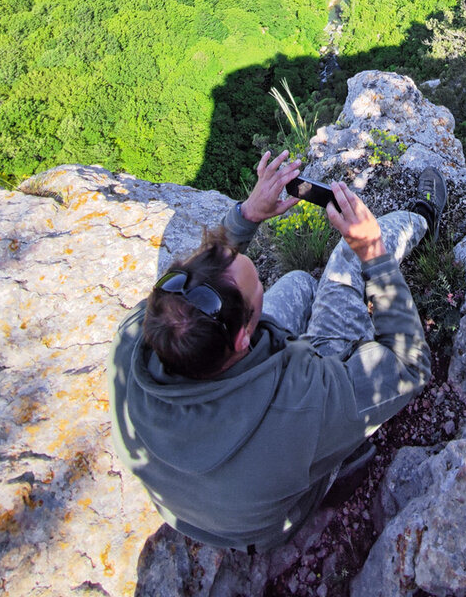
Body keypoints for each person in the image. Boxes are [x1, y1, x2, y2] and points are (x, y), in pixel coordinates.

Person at [107, 149, 447, 553]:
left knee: (301, 283)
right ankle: (424, 216)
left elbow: (201, 287)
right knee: (345, 262)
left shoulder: (137, 339)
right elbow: (409, 364)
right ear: (241, 341)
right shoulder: (304, 399)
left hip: (213, 511)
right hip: (272, 518)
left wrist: (246, 216)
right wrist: (372, 251)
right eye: (257, 293)